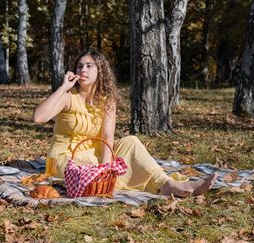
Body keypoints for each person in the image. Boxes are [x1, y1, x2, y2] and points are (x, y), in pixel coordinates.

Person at [33, 49, 216, 197]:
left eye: (90, 66)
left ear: (100, 71)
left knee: (131, 142)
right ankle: (150, 184)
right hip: (66, 158)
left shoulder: (107, 100)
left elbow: (107, 136)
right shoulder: (68, 97)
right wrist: (63, 87)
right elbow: (38, 118)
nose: (83, 70)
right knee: (105, 166)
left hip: (96, 154)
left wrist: (106, 167)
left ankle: (167, 183)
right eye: (80, 66)